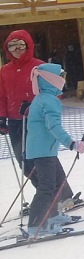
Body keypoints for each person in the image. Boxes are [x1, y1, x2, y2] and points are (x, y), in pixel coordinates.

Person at [24, 63, 84, 235]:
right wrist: (72, 144)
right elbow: (54, 127)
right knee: (46, 187)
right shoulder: (49, 101)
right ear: (51, 80)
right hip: (42, 151)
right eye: (61, 76)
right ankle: (36, 225)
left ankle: (52, 216)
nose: (63, 80)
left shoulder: (44, 98)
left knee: (57, 183)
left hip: (45, 150)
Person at [0, 30, 44, 168]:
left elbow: (54, 92)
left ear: (28, 45)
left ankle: (53, 183)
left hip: (37, 120)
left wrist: (35, 106)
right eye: (12, 46)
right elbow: (1, 96)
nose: (17, 49)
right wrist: (1, 117)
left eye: (20, 44)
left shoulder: (40, 66)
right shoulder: (4, 70)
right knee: (24, 162)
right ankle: (41, 183)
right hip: (15, 122)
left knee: (42, 160)